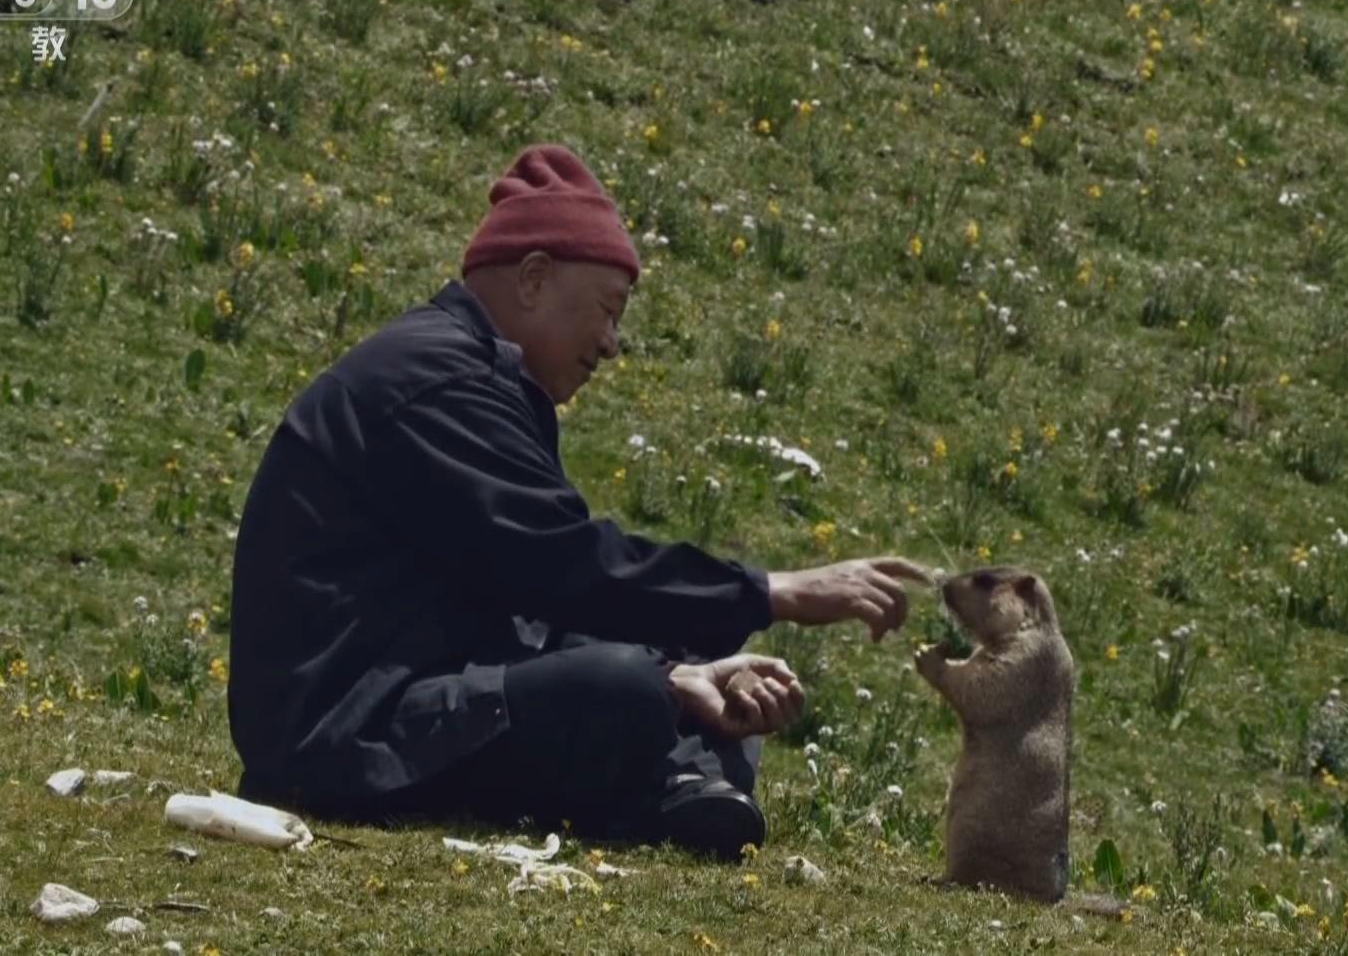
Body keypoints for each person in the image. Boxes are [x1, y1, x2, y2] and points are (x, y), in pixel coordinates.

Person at [228, 143, 934, 859]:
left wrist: (681, 672)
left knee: (687, 657)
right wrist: (773, 592)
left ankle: (687, 781)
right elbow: (559, 565)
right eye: (607, 310)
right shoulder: (436, 380)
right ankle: (677, 782)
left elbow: (526, 596)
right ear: (534, 278)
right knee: (622, 682)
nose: (612, 344)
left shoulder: (477, 373)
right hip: (340, 735)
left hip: (421, 691)